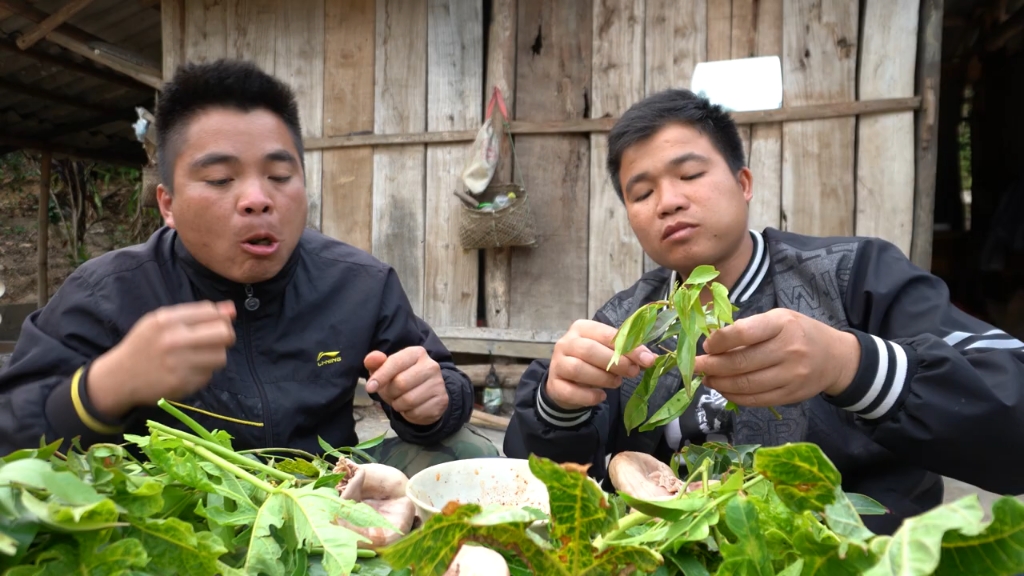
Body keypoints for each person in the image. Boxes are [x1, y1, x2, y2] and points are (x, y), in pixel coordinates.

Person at [503, 88, 1024, 534]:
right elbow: (548, 485)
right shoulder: (625, 322)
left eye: (689, 174)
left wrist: (850, 364)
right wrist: (558, 406)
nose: (668, 201)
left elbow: (1011, 407)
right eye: (641, 192)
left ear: (743, 183)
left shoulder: (856, 276)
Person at [0, 59, 497, 477]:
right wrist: (104, 386)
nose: (258, 199)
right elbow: (13, 432)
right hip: (171, 522)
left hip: (327, 502)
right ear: (167, 204)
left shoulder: (358, 282)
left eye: (280, 175)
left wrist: (432, 402)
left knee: (468, 454)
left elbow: (440, 380)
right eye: (219, 179)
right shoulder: (106, 292)